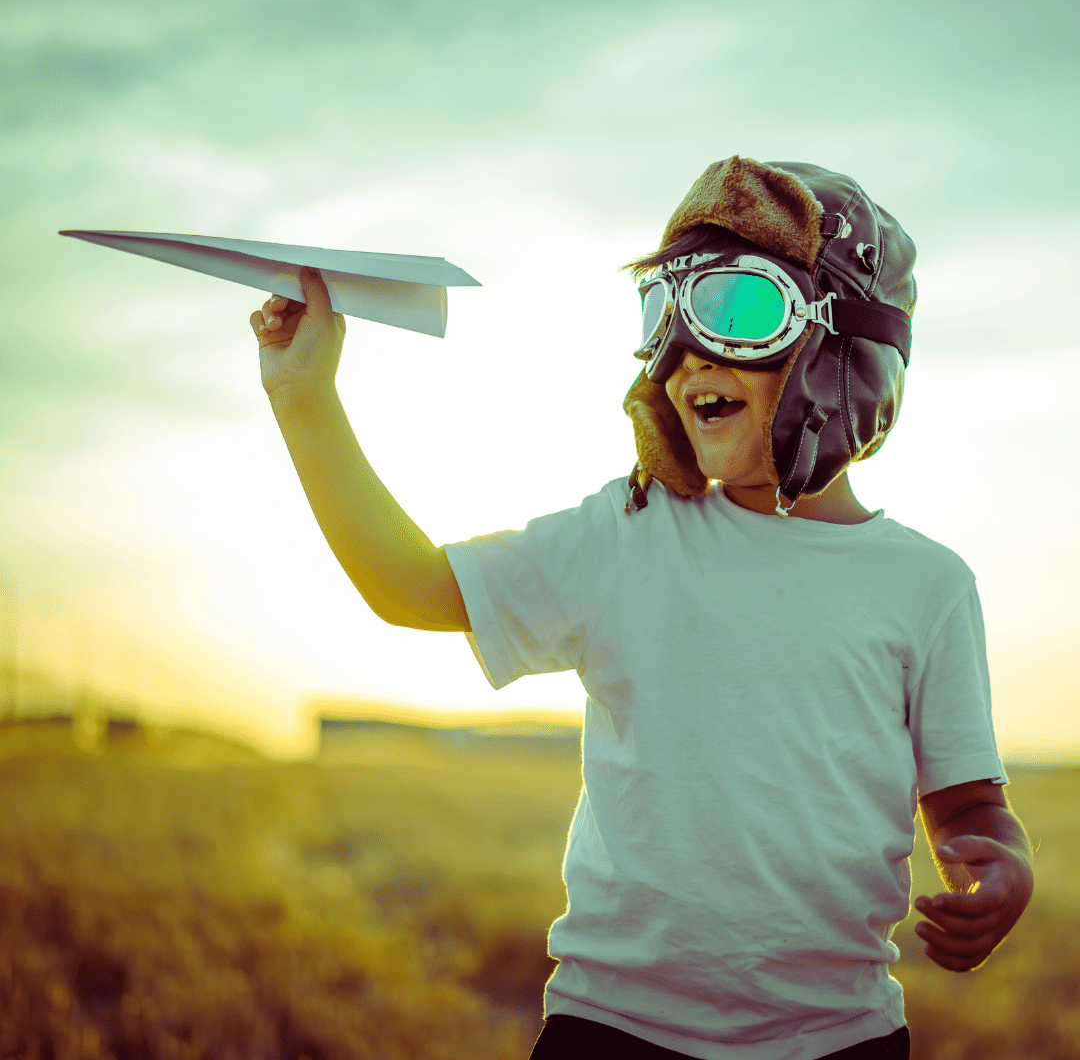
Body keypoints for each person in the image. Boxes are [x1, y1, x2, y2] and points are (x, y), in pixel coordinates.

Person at [251, 156, 1034, 1060]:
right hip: (612, 1028)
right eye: (666, 313)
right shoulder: (629, 534)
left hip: (840, 1038)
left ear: (847, 347)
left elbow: (969, 806)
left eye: (738, 308)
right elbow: (413, 586)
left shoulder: (928, 586)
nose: (690, 350)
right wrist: (303, 397)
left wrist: (1000, 864)